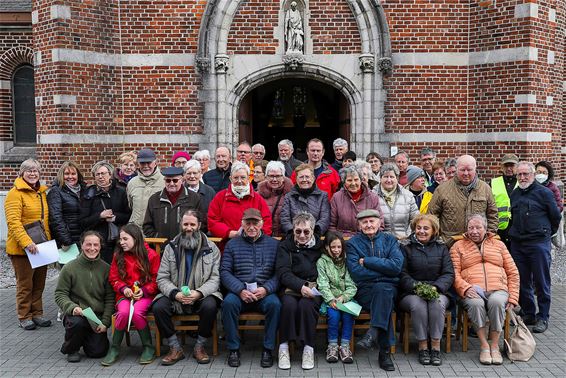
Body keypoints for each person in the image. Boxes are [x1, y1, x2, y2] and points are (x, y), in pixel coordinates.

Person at [152, 210, 222, 365]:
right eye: (185, 224)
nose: (188, 228)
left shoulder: (211, 248)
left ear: (199, 226)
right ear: (181, 225)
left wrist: (199, 293)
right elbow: (162, 277)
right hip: (176, 294)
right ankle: (175, 347)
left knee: (210, 305)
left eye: (192, 224)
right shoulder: (171, 247)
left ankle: (200, 346)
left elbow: (215, 279)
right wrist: (175, 293)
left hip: (200, 294)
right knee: (158, 307)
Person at [450, 214, 519, 365]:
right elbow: (453, 273)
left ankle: (494, 345)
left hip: (498, 288)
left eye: (478, 227)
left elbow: (513, 272)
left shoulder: (499, 245)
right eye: (470, 228)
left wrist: (513, 297)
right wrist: (465, 288)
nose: (474, 231)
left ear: (486, 228)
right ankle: (484, 345)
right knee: (475, 304)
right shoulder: (458, 246)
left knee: (496, 302)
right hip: (471, 289)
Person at [220, 209, 281, 368]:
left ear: (262, 223)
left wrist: (266, 289)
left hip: (264, 292)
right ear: (242, 224)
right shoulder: (232, 244)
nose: (252, 226)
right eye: (248, 223)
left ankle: (268, 349)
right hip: (240, 292)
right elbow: (225, 271)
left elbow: (279, 273)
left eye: (255, 223)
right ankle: (233, 349)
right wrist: (240, 290)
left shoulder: (274, 244)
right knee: (228, 304)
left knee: (275, 305)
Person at [346, 209, 403, 371]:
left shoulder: (390, 240)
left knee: (383, 291)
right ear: (359, 225)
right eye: (365, 222)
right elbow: (356, 272)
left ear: (379, 223)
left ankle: (373, 333)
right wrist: (383, 268)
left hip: (389, 288)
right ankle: (384, 353)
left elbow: (396, 267)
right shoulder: (352, 243)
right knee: (382, 294)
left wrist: (369, 261)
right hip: (365, 290)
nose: (369, 225)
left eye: (372, 221)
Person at [509, 161, 561, 333]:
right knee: (522, 281)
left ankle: (543, 317)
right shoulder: (515, 194)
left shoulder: (544, 193)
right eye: (519, 175)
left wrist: (544, 233)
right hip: (518, 243)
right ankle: (529, 312)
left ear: (532, 175)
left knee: (541, 281)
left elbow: (555, 217)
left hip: (538, 243)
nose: (522, 177)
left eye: (526, 174)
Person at [398, 214, 454, 366]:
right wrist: (416, 287)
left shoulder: (442, 248)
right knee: (418, 305)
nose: (421, 231)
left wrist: (436, 287)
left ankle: (435, 346)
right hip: (411, 291)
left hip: (438, 289)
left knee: (437, 303)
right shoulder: (406, 247)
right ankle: (423, 346)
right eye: (418, 228)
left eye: (426, 228)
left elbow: (448, 273)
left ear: (434, 231)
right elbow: (402, 273)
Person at [102, 224, 160, 366]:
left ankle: (148, 347)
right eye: (120, 239)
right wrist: (123, 289)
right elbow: (113, 278)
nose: (121, 242)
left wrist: (144, 290)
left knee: (137, 313)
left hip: (145, 295)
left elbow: (157, 279)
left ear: (136, 238)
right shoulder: (118, 255)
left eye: (125, 239)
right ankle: (115, 348)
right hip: (124, 295)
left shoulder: (151, 255)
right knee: (122, 313)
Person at [5, 159, 52, 330]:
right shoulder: (14, 193)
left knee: (39, 284)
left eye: (36, 171)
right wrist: (27, 243)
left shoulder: (42, 192)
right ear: (22, 173)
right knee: (25, 285)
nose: (33, 174)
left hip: (42, 246)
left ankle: (37, 313)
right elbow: (13, 222)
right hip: (23, 249)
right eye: (29, 171)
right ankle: (24, 315)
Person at [54, 231, 114, 362]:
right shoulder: (69, 268)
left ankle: (84, 338)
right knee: (77, 324)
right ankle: (71, 348)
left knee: (98, 352)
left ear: (100, 246)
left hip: (96, 318)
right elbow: (60, 294)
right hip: (77, 314)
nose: (92, 248)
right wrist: (71, 307)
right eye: (88, 244)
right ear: (81, 245)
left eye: (95, 245)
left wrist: (105, 322)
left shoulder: (107, 269)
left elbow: (110, 298)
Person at [276, 213, 323, 370]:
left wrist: (312, 288)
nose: (302, 235)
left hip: (313, 288)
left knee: (306, 307)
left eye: (306, 231)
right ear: (293, 230)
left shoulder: (320, 247)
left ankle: (308, 348)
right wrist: (300, 286)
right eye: (298, 231)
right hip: (291, 287)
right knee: (288, 305)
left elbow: (324, 270)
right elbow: (283, 272)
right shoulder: (285, 245)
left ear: (312, 230)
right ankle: (283, 347)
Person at [427, 155, 498, 247]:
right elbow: (431, 216)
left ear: (475, 169)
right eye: (462, 170)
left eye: (469, 170)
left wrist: (487, 238)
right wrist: (439, 239)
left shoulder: (485, 189)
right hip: (449, 244)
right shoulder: (442, 190)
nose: (466, 173)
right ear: (456, 169)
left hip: (478, 246)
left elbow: (492, 215)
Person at [317, 231, 357, 364]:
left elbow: (352, 284)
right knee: (333, 316)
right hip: (330, 299)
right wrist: (331, 299)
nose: (336, 250)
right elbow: (322, 284)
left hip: (345, 299)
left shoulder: (346, 261)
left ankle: (345, 346)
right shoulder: (322, 262)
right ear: (327, 247)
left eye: (339, 247)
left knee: (347, 315)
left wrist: (344, 297)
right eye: (333, 247)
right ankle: (332, 346)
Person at [208, 162, 272, 245]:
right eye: (236, 178)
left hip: (253, 245)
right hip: (227, 244)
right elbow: (212, 221)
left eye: (243, 177)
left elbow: (267, 222)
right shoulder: (220, 197)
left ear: (249, 178)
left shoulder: (258, 199)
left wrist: (253, 234)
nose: (239, 181)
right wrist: (230, 233)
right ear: (230, 179)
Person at [80, 161, 131, 264]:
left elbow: (128, 215)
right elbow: (82, 221)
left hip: (118, 241)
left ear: (110, 174)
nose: (100, 177)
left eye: (103, 173)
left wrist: (114, 217)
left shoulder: (120, 192)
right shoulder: (89, 194)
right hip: (98, 243)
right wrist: (100, 216)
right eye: (97, 174)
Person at [143, 167, 205, 242]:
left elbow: (202, 223)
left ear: (182, 180)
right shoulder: (154, 199)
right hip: (160, 247)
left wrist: (190, 238)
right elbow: (147, 225)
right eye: (168, 180)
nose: (171, 184)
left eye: (175, 180)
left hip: (186, 245)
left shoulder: (194, 198)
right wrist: (157, 238)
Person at [329, 166, 382, 237]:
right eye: (349, 180)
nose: (353, 183)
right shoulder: (336, 197)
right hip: (344, 240)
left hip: (367, 239)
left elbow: (380, 223)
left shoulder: (372, 197)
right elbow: (332, 225)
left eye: (356, 180)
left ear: (361, 180)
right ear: (344, 182)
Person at [281, 164, 330, 236]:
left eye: (307, 177)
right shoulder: (289, 197)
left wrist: (314, 233)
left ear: (313, 178)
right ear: (296, 179)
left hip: (316, 237)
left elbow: (325, 218)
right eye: (301, 177)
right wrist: (295, 233)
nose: (304, 180)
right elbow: (285, 219)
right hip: (294, 237)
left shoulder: (323, 196)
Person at [48, 161, 86, 251]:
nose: (70, 177)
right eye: (67, 174)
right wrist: (66, 240)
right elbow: (55, 218)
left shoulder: (85, 190)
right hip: (68, 242)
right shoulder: (56, 191)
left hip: (83, 239)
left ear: (78, 175)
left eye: (73, 174)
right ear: (61, 175)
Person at [374, 163, 419, 239]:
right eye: (385, 177)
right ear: (380, 178)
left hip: (405, 241)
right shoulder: (372, 196)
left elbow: (415, 219)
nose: (389, 180)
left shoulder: (408, 196)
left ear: (397, 178)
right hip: (380, 241)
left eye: (392, 177)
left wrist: (407, 236)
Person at [126, 148, 164, 228]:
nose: (146, 166)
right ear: (138, 164)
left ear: (155, 163)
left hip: (157, 231)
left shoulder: (164, 182)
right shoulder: (132, 183)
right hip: (136, 231)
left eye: (149, 162)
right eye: (142, 163)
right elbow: (131, 206)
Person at [257, 161, 293, 237]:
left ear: (283, 177)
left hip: (285, 238)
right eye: (271, 176)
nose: (274, 179)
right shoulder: (258, 195)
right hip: (265, 237)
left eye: (278, 176)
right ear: (266, 177)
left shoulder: (291, 195)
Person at [490, 154, 519, 248]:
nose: (509, 168)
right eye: (506, 165)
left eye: (512, 165)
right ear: (502, 167)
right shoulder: (493, 182)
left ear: (517, 167)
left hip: (518, 229)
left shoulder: (523, 182)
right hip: (499, 229)